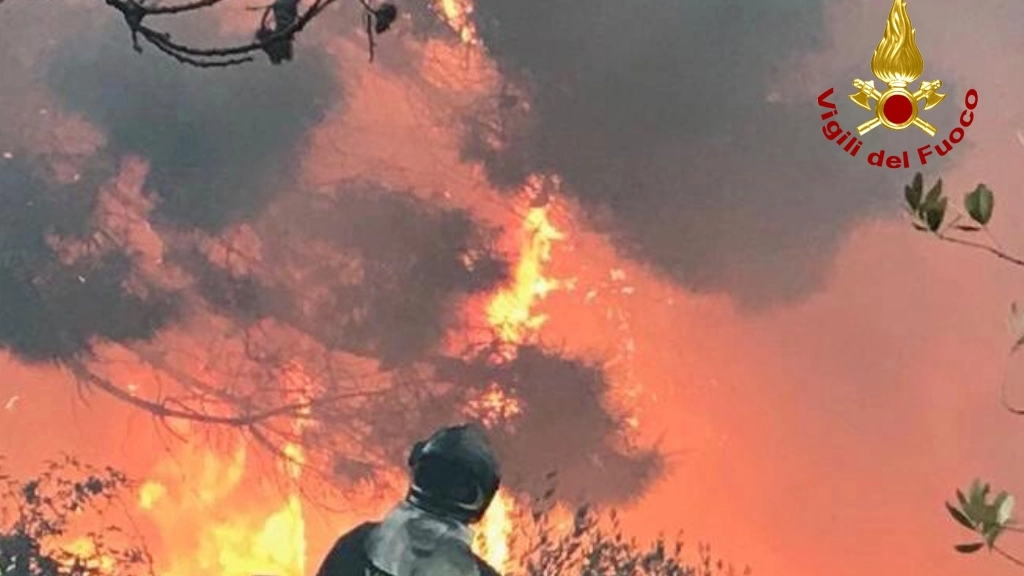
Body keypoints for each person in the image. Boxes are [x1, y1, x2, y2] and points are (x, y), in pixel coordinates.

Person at [314, 424, 503, 576]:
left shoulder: (360, 543)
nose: (442, 491)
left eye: (457, 486)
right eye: (434, 477)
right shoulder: (359, 543)